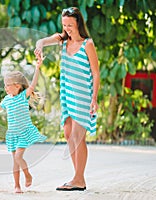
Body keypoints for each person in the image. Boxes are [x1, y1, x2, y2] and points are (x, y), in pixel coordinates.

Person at [34, 7, 100, 191]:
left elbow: (95, 73)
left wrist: (94, 98)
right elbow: (42, 40)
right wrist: (39, 46)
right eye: (64, 25)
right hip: (67, 95)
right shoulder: (62, 40)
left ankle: (78, 179)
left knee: (79, 137)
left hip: (83, 96)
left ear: (78, 23)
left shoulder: (88, 44)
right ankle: (78, 177)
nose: (67, 28)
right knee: (69, 135)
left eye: (70, 25)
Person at [0, 57, 47, 193]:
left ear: (17, 86)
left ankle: (28, 174)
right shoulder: (6, 100)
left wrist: (37, 67)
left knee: (19, 157)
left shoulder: (24, 95)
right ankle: (17, 186)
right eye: (5, 85)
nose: (5, 88)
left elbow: (33, 84)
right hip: (12, 134)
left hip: (24, 132)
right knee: (15, 161)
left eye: (7, 85)